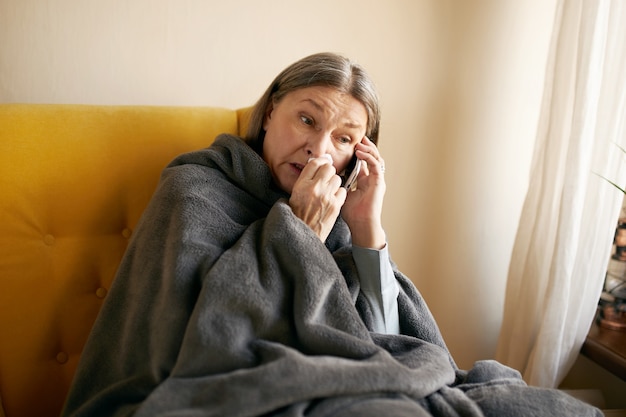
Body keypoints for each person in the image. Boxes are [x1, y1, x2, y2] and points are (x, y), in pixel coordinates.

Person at [61, 52, 601, 417]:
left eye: (344, 138)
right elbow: (201, 346)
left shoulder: (336, 208)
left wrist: (367, 230)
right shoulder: (196, 189)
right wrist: (297, 233)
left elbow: (383, 340)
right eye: (307, 121)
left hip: (347, 381)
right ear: (270, 112)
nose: (320, 150)